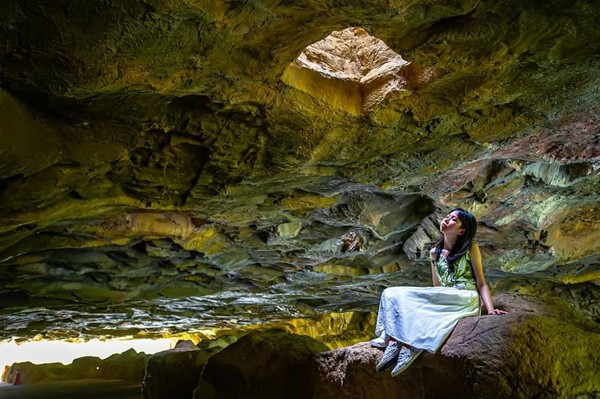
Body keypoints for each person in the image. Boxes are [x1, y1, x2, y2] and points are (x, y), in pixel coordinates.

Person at [370, 208, 507, 377]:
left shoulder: (470, 247)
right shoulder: (434, 253)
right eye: (447, 216)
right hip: (445, 294)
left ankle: (410, 346)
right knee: (391, 293)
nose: (446, 219)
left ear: (462, 230)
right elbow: (437, 287)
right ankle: (391, 336)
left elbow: (481, 282)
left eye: (453, 220)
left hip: (465, 296)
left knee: (417, 301)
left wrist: (490, 308)